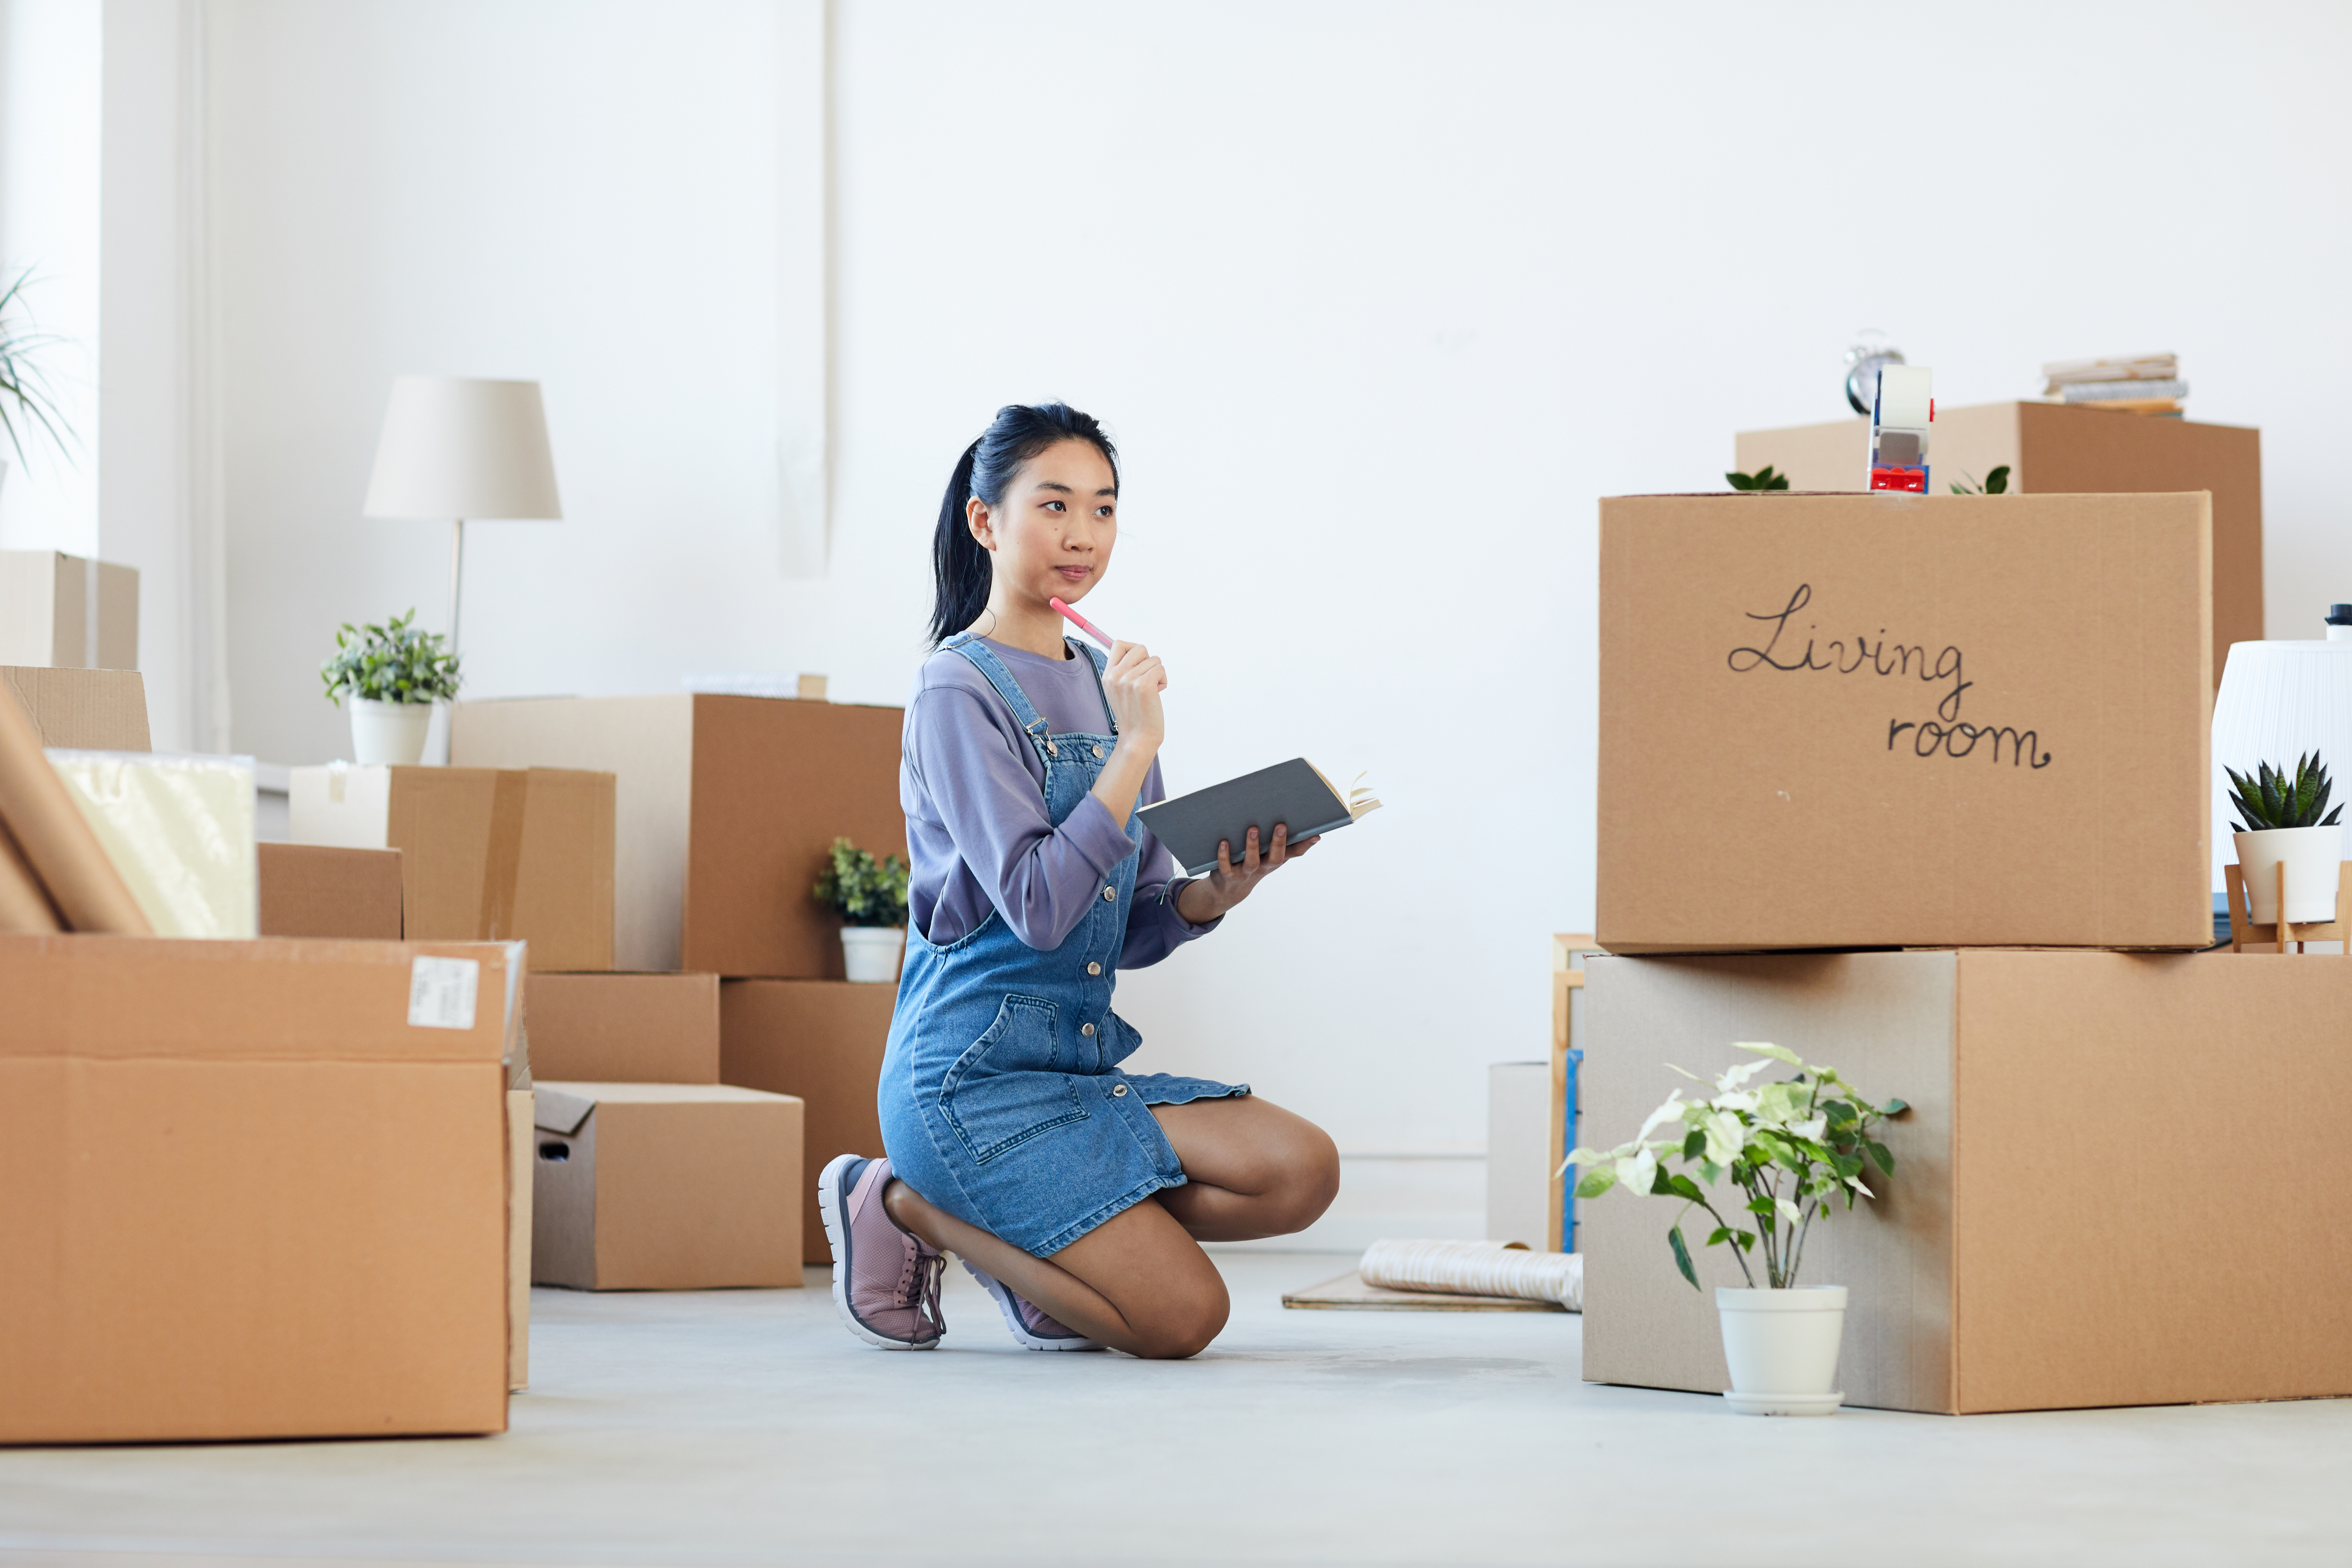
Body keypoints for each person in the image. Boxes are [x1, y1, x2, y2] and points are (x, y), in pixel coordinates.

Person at [817, 402, 1340, 1360]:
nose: (1082, 534)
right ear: (986, 522)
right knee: (1184, 1320)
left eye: (1103, 509)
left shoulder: (1108, 679)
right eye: (1053, 505)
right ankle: (896, 1200)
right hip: (969, 1087)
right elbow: (1040, 907)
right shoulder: (955, 691)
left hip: (1076, 1071)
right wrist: (1135, 745)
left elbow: (1128, 923)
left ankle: (1054, 1257)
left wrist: (1214, 894)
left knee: (1301, 1171)